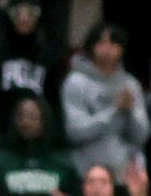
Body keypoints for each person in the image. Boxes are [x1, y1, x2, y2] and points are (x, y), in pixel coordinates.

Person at [61, 21, 149, 177]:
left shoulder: (130, 84)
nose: (108, 49)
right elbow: (75, 131)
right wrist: (115, 111)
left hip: (125, 172)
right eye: (102, 42)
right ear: (91, 45)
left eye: (114, 43)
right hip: (88, 172)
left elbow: (141, 136)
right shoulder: (75, 81)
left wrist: (130, 113)